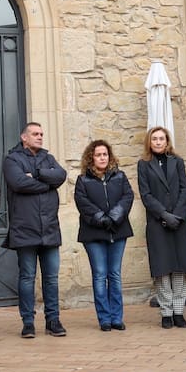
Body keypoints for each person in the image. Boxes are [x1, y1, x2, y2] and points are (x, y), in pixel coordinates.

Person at [3, 122, 68, 338]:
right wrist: (47, 183)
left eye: (41, 133)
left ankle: (53, 320)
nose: (40, 137)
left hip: (49, 228)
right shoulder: (12, 159)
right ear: (24, 137)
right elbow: (19, 183)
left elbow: (60, 175)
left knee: (51, 278)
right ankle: (28, 322)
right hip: (25, 229)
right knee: (27, 277)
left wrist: (37, 174)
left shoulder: (47, 158)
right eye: (35, 134)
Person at [137, 126, 186, 328]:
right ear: (149, 142)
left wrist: (178, 216)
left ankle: (179, 311)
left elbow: (184, 189)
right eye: (154, 139)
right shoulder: (144, 165)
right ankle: (166, 312)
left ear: (167, 141)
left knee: (179, 267)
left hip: (179, 222)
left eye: (161, 138)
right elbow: (146, 195)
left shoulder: (177, 162)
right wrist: (163, 214)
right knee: (163, 269)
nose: (158, 142)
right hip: (158, 222)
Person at [74, 140, 134, 331]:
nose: (102, 158)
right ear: (91, 157)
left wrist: (115, 215)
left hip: (118, 230)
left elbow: (128, 196)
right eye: (98, 154)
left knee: (114, 274)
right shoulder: (83, 179)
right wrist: (100, 217)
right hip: (94, 233)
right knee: (100, 275)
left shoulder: (120, 176)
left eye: (105, 154)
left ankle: (117, 317)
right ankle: (105, 318)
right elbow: (82, 202)